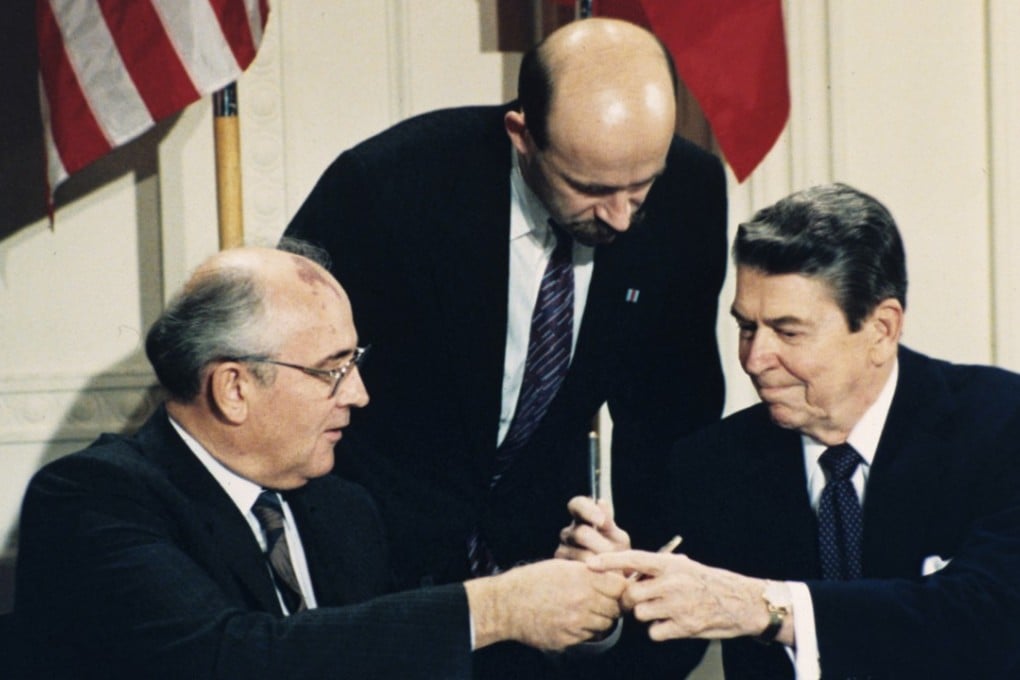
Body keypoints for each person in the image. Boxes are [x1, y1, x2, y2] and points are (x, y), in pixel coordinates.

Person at [13, 245, 627, 680]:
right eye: (332, 369)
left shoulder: (338, 507)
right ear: (233, 388)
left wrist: (571, 601)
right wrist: (498, 605)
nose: (359, 393)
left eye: (354, 362)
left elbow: (406, 650)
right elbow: (231, 659)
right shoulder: (92, 500)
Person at [283, 14, 725, 595]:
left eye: (641, 187)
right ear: (522, 134)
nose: (621, 217)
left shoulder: (690, 193)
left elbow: (673, 412)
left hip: (541, 563)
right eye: (591, 189)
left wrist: (639, 580)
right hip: (378, 560)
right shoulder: (384, 188)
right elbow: (292, 380)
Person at [560, 184, 1020, 678]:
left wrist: (764, 607)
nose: (755, 360)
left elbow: (989, 617)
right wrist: (607, 598)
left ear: (882, 330)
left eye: (788, 331)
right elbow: (649, 658)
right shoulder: (711, 463)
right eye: (746, 327)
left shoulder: (999, 423)